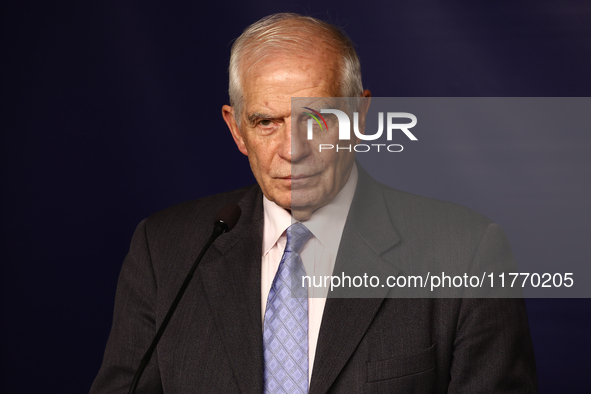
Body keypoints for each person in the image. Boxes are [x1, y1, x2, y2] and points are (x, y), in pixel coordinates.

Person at [91, 13, 537, 393]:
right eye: (266, 121)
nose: (292, 148)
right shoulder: (163, 249)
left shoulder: (466, 252)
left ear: (359, 118)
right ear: (236, 130)